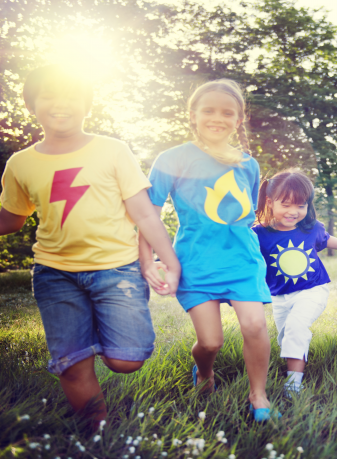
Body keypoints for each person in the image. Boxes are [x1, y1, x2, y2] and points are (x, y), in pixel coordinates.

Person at [0, 64, 180, 427]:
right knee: (71, 366)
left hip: (117, 270)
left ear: (87, 104)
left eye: (71, 95)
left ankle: (98, 330)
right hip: (55, 275)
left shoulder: (113, 151)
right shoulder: (21, 164)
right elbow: (11, 219)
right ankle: (98, 432)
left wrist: (168, 261)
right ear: (32, 103)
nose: (60, 103)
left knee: (126, 360)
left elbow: (144, 215)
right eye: (48, 94)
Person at [138, 79, 279, 422]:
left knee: (255, 326)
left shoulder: (249, 163)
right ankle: (204, 373)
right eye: (209, 110)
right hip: (196, 263)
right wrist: (147, 261)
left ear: (239, 119)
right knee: (211, 342)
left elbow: (246, 214)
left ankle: (258, 395)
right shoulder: (171, 159)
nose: (218, 118)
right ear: (193, 115)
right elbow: (147, 213)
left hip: (242, 260)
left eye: (227, 112)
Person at [253, 169, 337, 396]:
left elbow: (327, 240)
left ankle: (293, 384)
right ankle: (291, 365)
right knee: (285, 334)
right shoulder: (259, 233)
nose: (293, 211)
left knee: (297, 327)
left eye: (300, 205)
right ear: (270, 201)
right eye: (286, 204)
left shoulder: (311, 227)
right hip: (279, 294)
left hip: (312, 289)